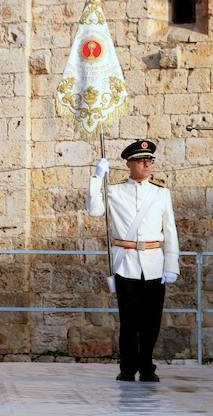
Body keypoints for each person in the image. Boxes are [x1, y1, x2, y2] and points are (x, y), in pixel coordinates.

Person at [88, 139, 179, 382]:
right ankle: (127, 368)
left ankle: (147, 365)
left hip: (154, 263)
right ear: (129, 164)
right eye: (142, 160)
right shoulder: (114, 190)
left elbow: (170, 232)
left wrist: (171, 265)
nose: (148, 164)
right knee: (129, 322)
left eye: (150, 160)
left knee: (152, 322)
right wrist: (97, 179)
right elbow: (94, 211)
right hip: (126, 262)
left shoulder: (161, 193)